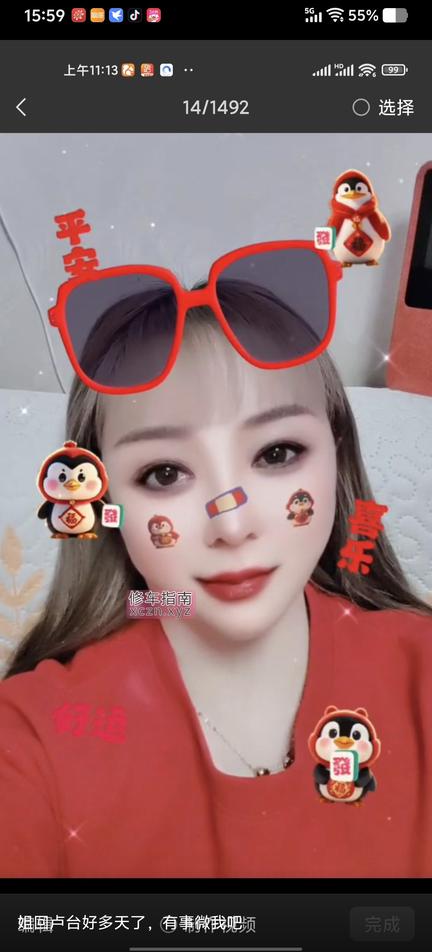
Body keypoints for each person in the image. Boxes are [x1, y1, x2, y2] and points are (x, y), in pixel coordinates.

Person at [1, 281, 431, 879]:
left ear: (336, 455)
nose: (231, 526)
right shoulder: (30, 738)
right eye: (164, 473)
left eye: (277, 453)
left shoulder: (421, 672)